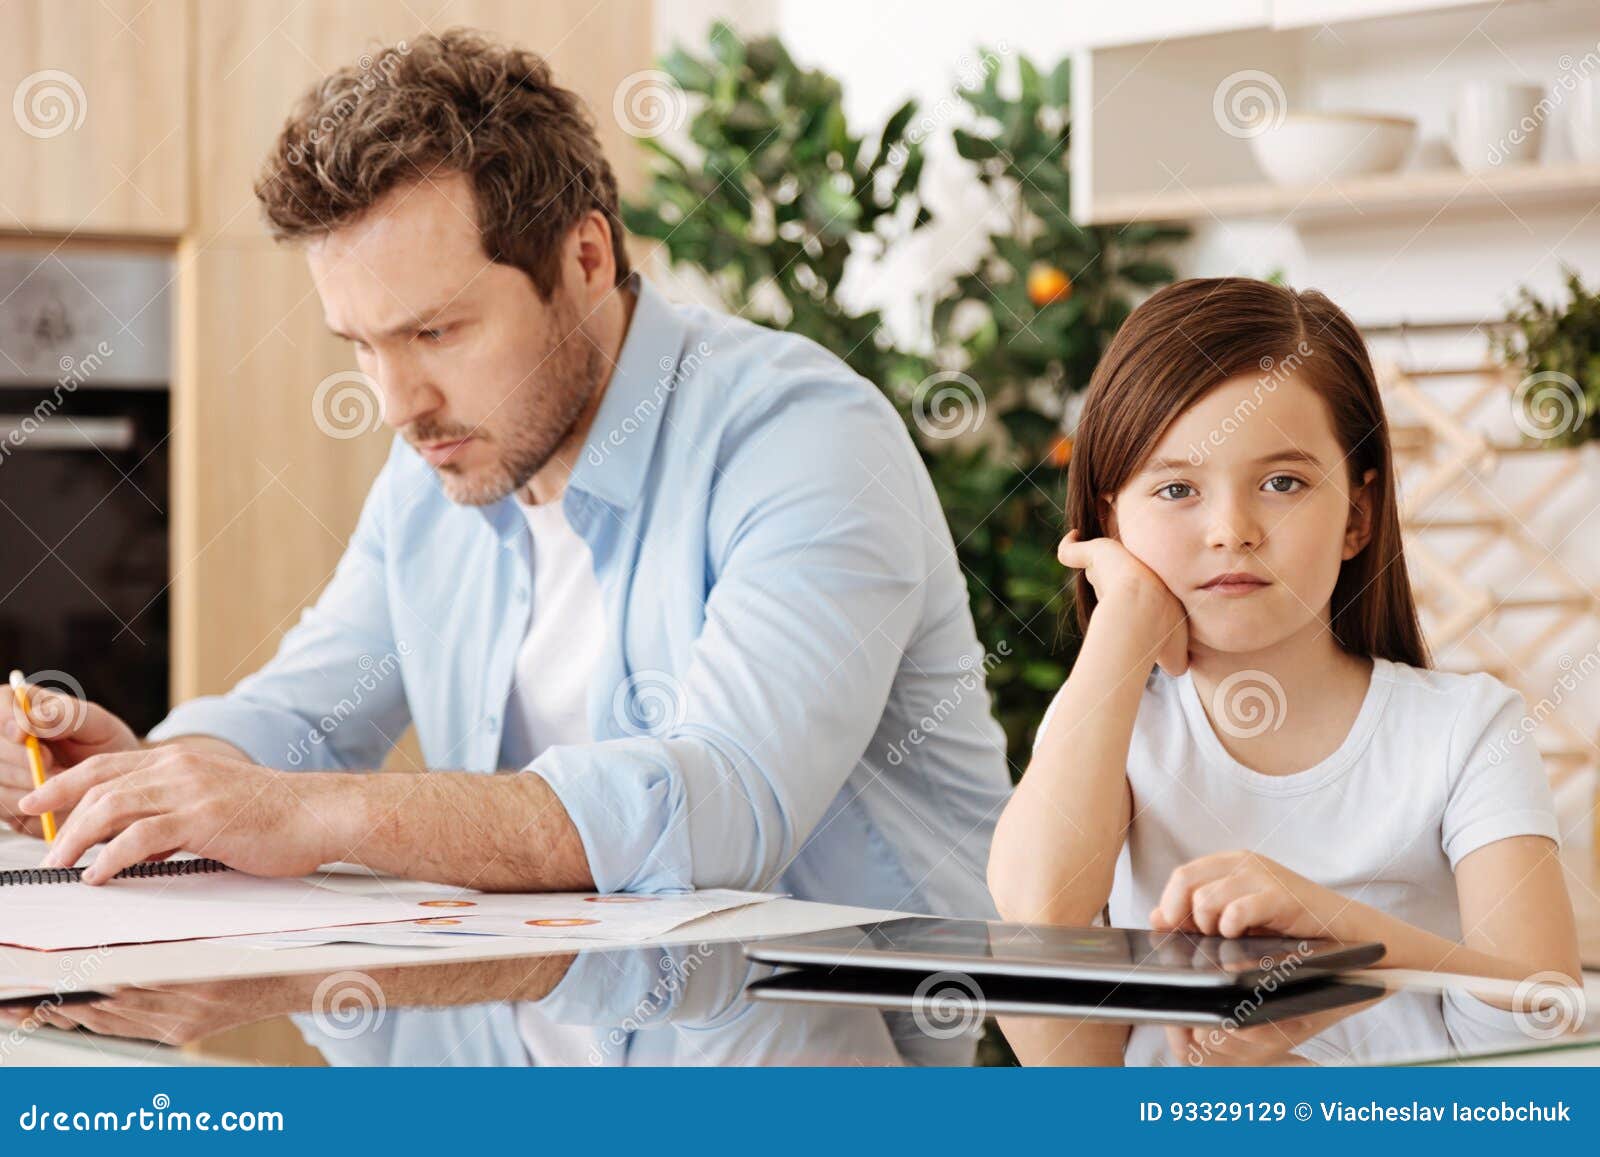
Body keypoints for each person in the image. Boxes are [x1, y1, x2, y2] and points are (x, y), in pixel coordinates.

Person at [0, 29, 1011, 1065]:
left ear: (584, 257)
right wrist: (160, 782)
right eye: (361, 344)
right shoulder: (441, 467)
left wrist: (301, 812)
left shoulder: (803, 438)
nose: (396, 403)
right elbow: (305, 712)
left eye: (436, 331)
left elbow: (722, 808)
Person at [987, 278, 1581, 1053]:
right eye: (1175, 489)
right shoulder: (1118, 727)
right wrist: (1122, 623)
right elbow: (1034, 912)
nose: (1232, 529)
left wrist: (1346, 941)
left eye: (1282, 483)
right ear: (1111, 521)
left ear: (1358, 515)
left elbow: (1547, 1040)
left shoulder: (1466, 730)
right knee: (1023, 951)